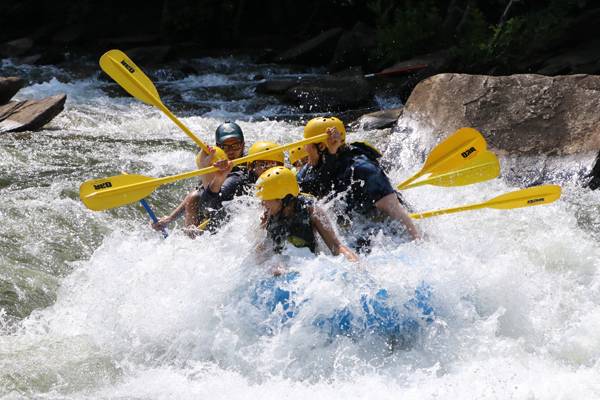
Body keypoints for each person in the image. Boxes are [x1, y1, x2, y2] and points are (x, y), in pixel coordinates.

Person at [296, 117, 421, 249]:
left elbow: (396, 211)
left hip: (380, 229)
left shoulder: (362, 169)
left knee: (360, 243)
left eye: (307, 143)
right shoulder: (314, 166)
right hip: (349, 223)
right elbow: (306, 190)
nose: (304, 147)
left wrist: (419, 243)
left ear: (321, 146)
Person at [255, 166, 359, 275]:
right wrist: (273, 268)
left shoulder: (311, 210)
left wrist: (353, 260)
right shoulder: (264, 217)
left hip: (309, 267)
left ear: (283, 197)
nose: (262, 204)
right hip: (282, 269)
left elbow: (336, 246)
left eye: (266, 199)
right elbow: (259, 259)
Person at [151, 121, 246, 235]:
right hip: (212, 213)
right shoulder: (214, 165)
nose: (231, 151)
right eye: (225, 147)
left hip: (234, 214)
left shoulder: (251, 166)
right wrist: (169, 219)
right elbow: (199, 190)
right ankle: (192, 241)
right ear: (218, 148)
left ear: (243, 146)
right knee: (193, 197)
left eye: (235, 146)